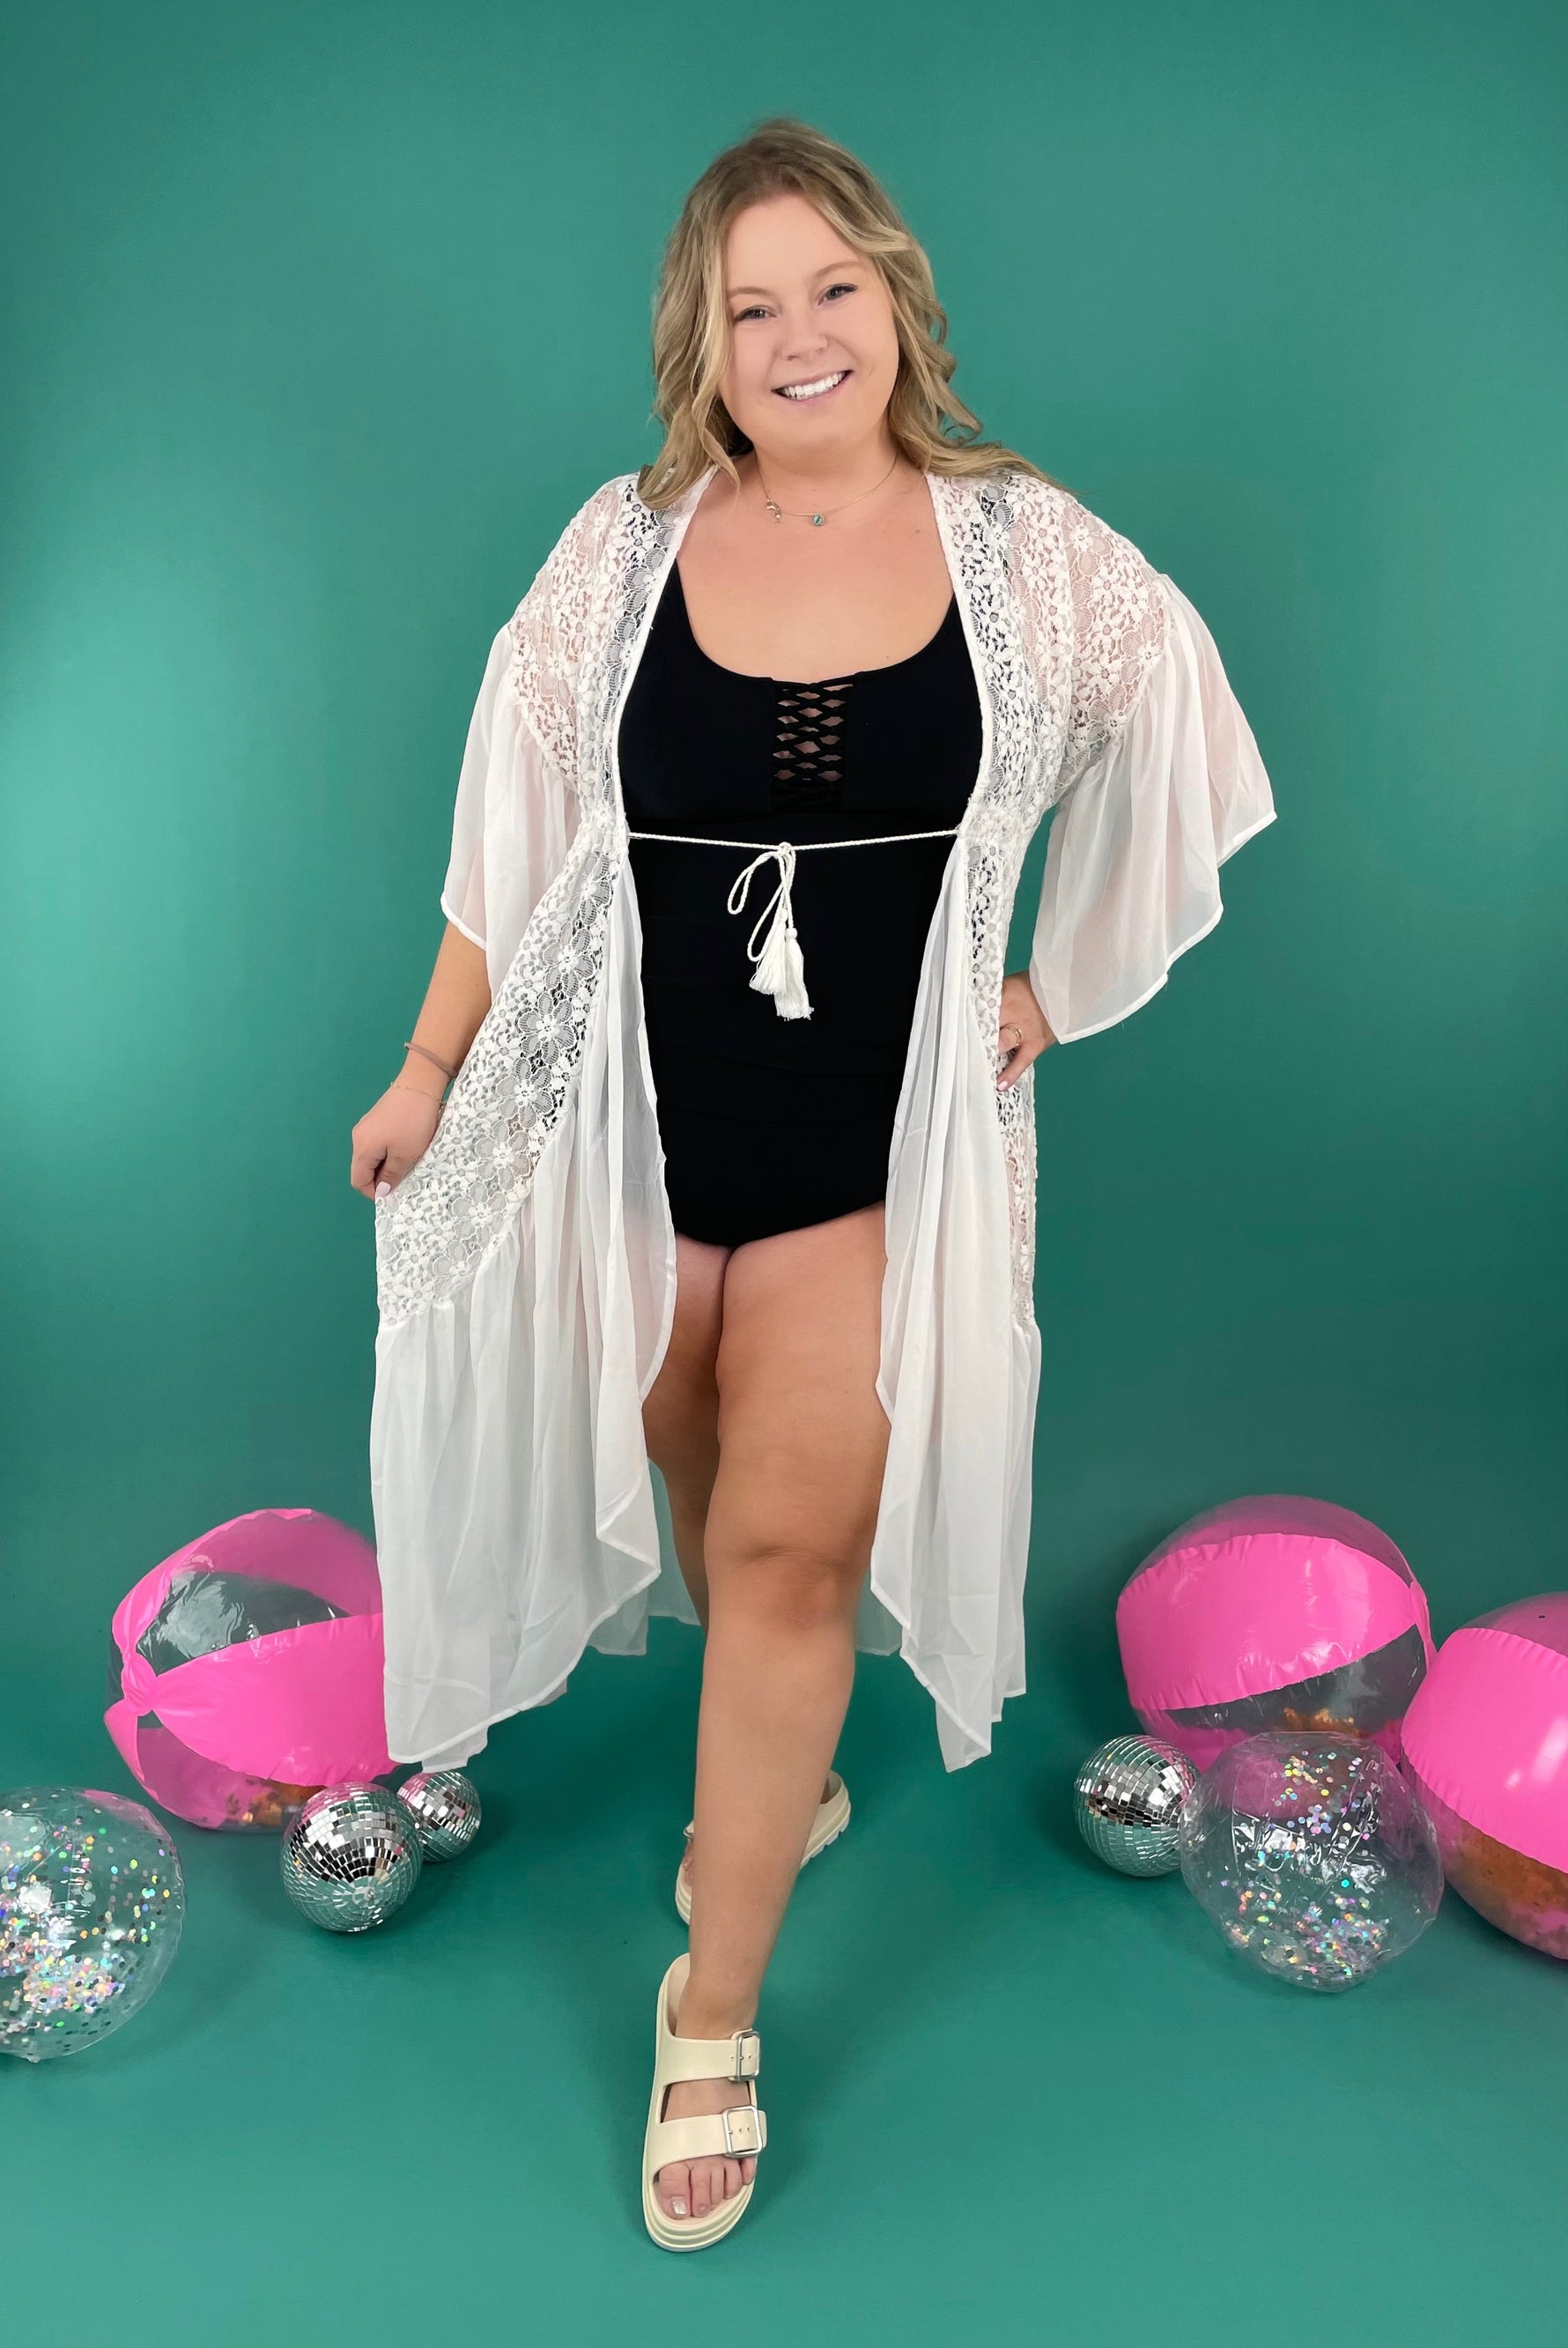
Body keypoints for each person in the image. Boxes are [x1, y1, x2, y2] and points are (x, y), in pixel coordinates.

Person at [350, 116, 1276, 2250]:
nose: (797, 336)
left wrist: (1046, 991)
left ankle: (712, 2008)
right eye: (749, 304)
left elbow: (1185, 735)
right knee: (699, 1489)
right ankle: (783, 1769)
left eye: (831, 288)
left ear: (895, 301)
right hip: (632, 1143)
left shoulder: (1026, 553)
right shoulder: (622, 546)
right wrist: (425, 1070)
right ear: (702, 339)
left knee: (785, 1547)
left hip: (873, 1166)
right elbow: (509, 830)